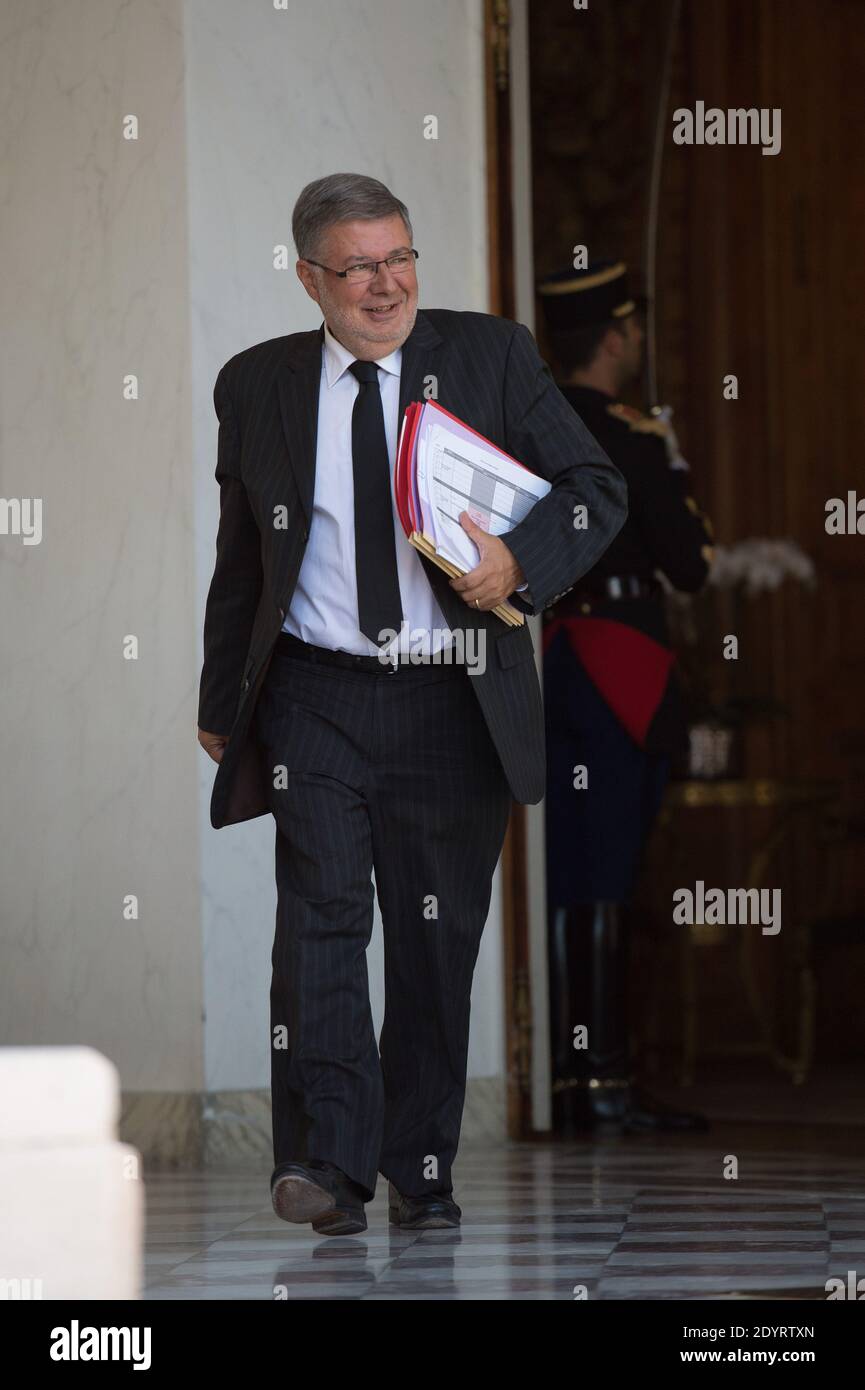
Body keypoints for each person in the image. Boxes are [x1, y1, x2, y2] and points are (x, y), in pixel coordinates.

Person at [197, 175, 627, 1234]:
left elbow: (593, 488)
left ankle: (420, 1164)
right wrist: (222, 698)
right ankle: (327, 1162)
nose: (386, 284)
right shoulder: (255, 384)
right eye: (357, 265)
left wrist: (516, 565)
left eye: (400, 258)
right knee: (320, 924)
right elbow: (243, 557)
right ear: (309, 277)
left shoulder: (489, 354)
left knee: (435, 941)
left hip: (453, 700)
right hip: (315, 696)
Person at [537, 260, 714, 1134]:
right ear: (613, 337)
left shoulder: (528, 426)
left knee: (567, 865)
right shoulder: (636, 435)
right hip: (621, 659)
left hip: (551, 657)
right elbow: (691, 564)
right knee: (606, 866)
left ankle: (566, 1082)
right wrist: (671, 462)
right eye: (633, 329)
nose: (636, 341)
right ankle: (604, 1083)